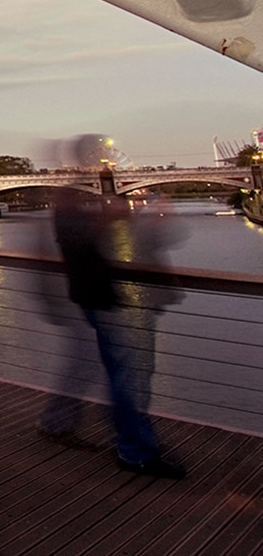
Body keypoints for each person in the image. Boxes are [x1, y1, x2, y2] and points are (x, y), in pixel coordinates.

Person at [41, 189, 184, 478]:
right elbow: (86, 246)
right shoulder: (70, 210)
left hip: (98, 300)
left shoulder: (70, 208)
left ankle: (128, 439)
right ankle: (135, 451)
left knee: (121, 373)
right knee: (131, 376)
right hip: (109, 301)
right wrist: (117, 218)